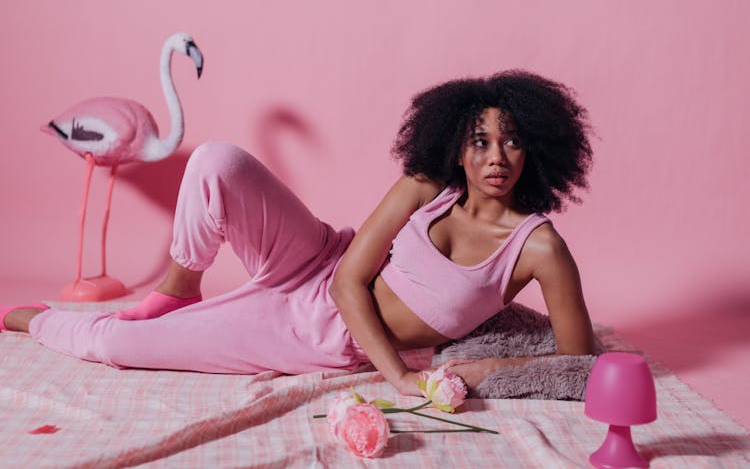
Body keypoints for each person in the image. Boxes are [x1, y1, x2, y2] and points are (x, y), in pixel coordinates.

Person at [1, 70, 596, 396]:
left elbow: (578, 360)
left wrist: (487, 371)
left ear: (535, 150)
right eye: (479, 141)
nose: (496, 158)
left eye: (512, 141)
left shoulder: (539, 247)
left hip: (319, 335)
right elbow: (347, 279)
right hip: (321, 263)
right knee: (215, 161)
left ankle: (34, 320)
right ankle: (180, 287)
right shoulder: (426, 184)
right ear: (457, 150)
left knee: (120, 347)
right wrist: (404, 378)